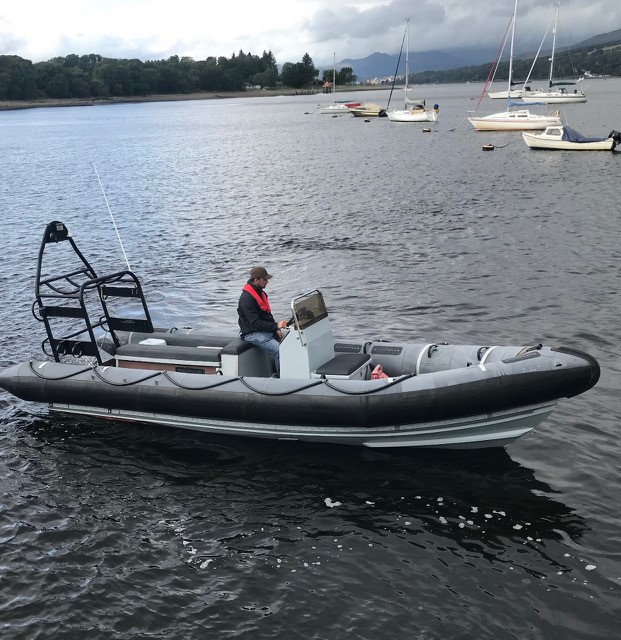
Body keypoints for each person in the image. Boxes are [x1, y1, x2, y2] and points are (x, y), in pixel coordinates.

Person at [237, 266, 287, 375]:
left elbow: (267, 315)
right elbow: (255, 323)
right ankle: (282, 379)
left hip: (263, 330)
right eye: (265, 279)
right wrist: (276, 326)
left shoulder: (261, 293)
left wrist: (275, 329)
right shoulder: (246, 299)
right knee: (279, 351)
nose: (267, 282)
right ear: (256, 280)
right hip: (252, 333)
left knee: (289, 340)